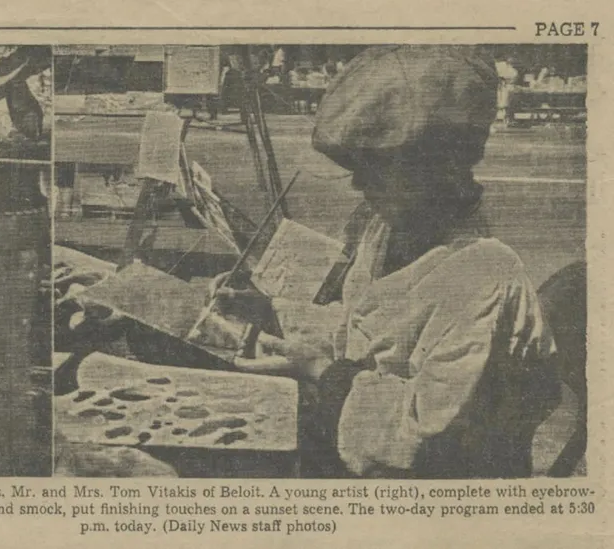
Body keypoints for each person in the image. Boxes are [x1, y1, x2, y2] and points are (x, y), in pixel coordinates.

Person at [210, 45, 561, 479]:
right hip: (356, 442)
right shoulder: (385, 226)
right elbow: (362, 329)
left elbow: (427, 435)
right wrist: (271, 313)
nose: (358, 182)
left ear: (439, 165)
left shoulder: (482, 273)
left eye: (377, 166)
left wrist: (322, 372)